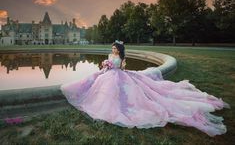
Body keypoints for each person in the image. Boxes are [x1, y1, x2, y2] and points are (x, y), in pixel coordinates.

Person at [61, 40, 230, 137]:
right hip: (108, 73)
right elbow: (107, 65)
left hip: (117, 75)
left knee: (121, 91)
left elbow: (120, 69)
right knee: (98, 83)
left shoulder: (121, 58)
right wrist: (104, 65)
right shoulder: (110, 56)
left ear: (119, 50)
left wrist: (112, 67)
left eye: (115, 48)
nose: (113, 50)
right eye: (112, 48)